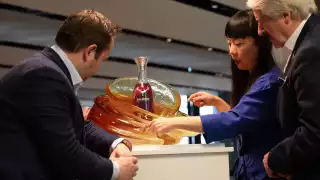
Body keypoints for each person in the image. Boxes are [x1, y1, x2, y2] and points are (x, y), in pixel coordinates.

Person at [143, 10, 284, 180]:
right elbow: (242, 121)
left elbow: (236, 121)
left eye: (239, 44)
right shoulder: (254, 79)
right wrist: (217, 102)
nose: (231, 51)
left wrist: (173, 122)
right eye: (229, 43)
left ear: (259, 44)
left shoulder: (269, 82)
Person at [0, 10, 138, 180]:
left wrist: (115, 143)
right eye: (102, 60)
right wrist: (115, 170)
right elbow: (64, 152)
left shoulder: (48, 70)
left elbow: (76, 125)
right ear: (90, 52)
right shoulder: (44, 76)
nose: (98, 69)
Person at [246, 0, 320, 179]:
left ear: (286, 16)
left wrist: (275, 159)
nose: (259, 31)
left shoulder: (310, 51)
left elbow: (314, 131)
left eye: (261, 22)